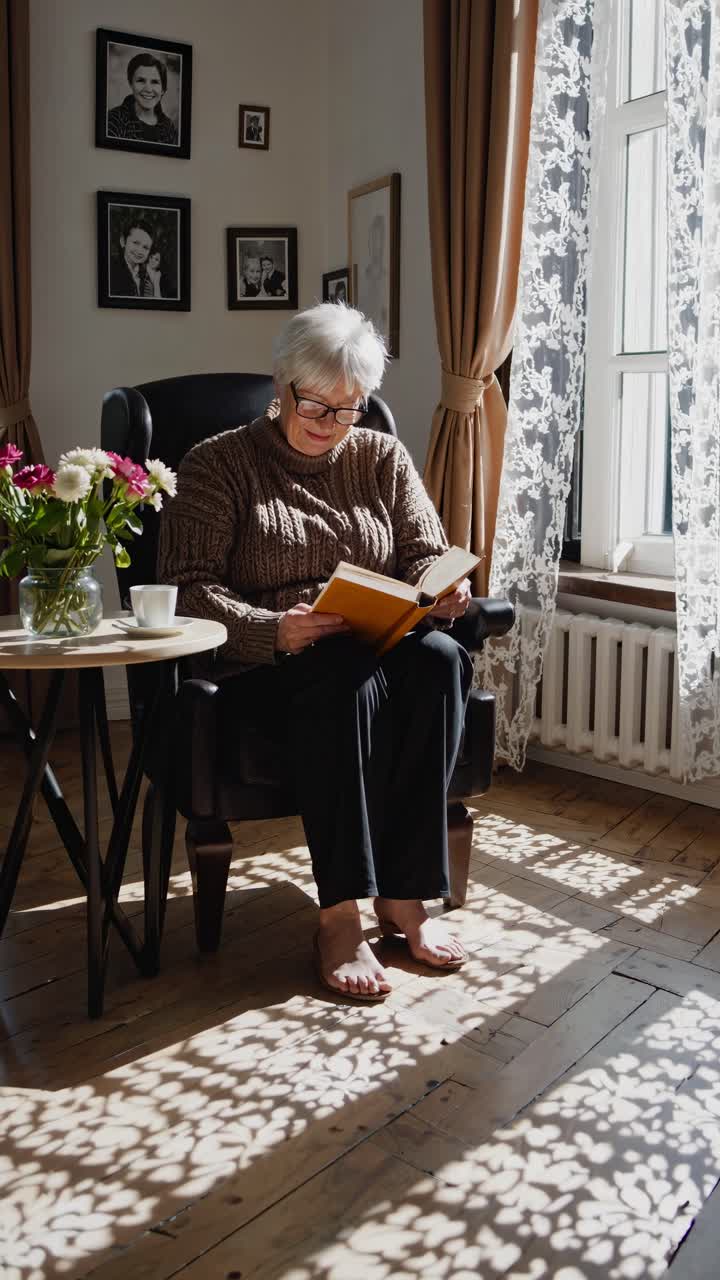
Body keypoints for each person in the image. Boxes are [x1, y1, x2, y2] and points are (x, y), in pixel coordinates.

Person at [158, 303, 472, 1001]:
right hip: (264, 665)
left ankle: (404, 898)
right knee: (340, 671)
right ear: (281, 385)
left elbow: (426, 554)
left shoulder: (381, 456)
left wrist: (444, 590)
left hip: (373, 646)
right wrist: (273, 630)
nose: (331, 426)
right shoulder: (217, 464)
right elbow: (186, 591)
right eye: (316, 407)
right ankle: (339, 916)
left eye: (349, 410)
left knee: (443, 659)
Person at [107, 52, 178, 146]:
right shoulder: (113, 120)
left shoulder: (169, 128)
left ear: (163, 90)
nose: (148, 89)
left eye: (155, 82)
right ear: (130, 83)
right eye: (141, 80)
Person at [109, 219, 164, 298]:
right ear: (123, 241)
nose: (140, 251)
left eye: (145, 247)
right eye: (135, 243)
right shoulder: (111, 270)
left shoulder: (146, 275)